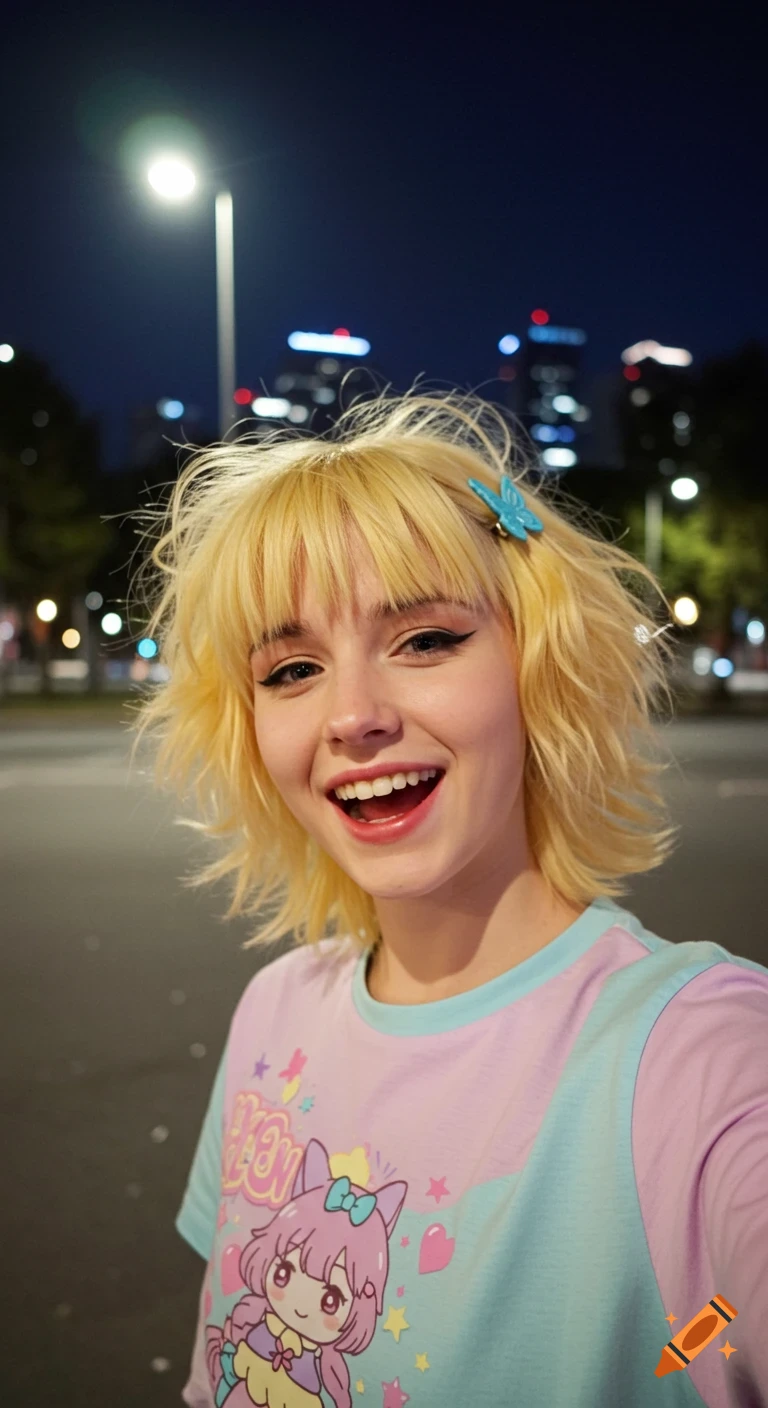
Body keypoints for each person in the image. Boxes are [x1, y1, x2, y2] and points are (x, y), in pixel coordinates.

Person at [128, 388, 768, 1408]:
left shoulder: (697, 1053)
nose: (354, 716)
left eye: (424, 640)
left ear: (537, 663)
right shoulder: (276, 1013)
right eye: (292, 668)